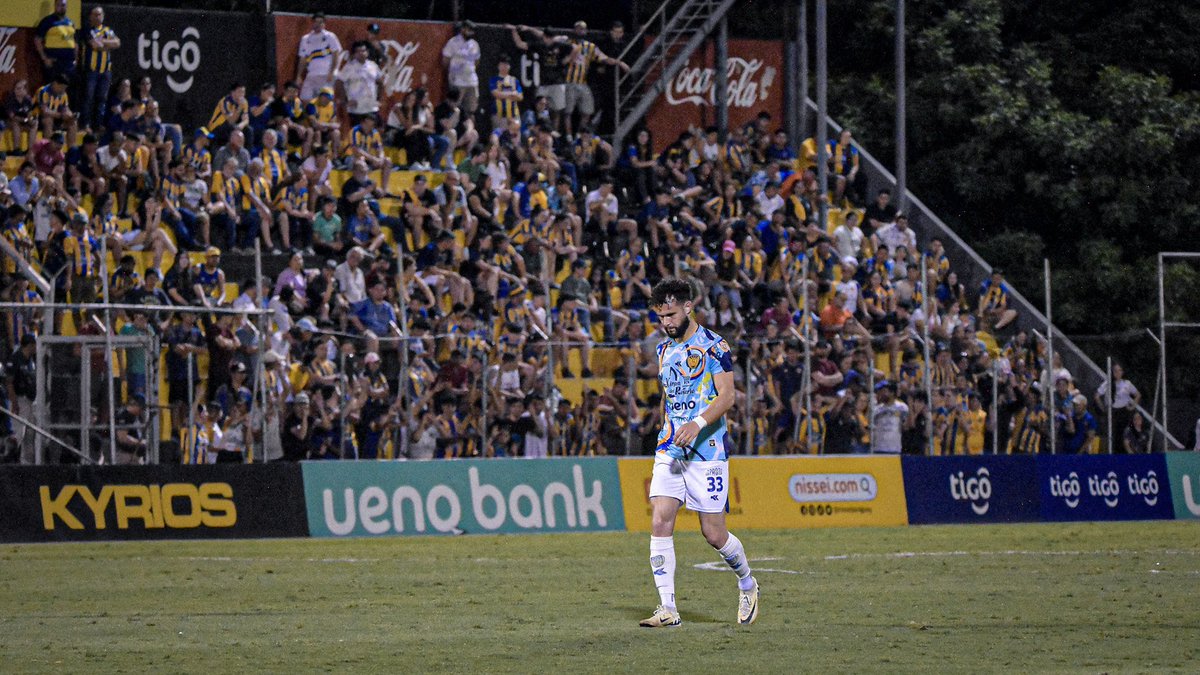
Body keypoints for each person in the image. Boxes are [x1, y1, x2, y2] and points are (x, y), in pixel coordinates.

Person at [638, 277, 759, 629]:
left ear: (688, 307)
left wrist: (698, 422)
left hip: (707, 451)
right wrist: (668, 428)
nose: (667, 323)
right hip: (671, 447)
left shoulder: (714, 346)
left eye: (672, 315)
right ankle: (667, 608)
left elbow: (727, 396)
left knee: (714, 534)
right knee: (660, 517)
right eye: (661, 317)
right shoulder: (663, 351)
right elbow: (670, 398)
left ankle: (748, 584)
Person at [81, 6, 120, 133]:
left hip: (105, 71)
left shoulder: (108, 30)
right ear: (90, 16)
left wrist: (103, 42)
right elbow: (94, 45)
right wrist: (108, 44)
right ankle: (86, 124)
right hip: (92, 70)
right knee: (88, 97)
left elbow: (117, 43)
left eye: (99, 14)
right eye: (95, 14)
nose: (97, 17)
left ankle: (98, 125)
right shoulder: (87, 30)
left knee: (102, 99)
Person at [297, 12, 343, 102]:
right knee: (305, 100)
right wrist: (298, 76)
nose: (318, 24)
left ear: (324, 24)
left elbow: (336, 54)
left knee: (325, 101)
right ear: (312, 23)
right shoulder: (305, 39)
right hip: (311, 74)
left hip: (326, 74)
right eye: (316, 22)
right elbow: (302, 59)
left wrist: (332, 72)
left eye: (320, 22)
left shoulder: (330, 36)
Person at [441, 20, 481, 118]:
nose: (471, 33)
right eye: (469, 30)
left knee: (471, 109)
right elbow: (446, 60)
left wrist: (470, 70)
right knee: (454, 107)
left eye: (472, 31)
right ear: (463, 29)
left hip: (471, 81)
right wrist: (453, 73)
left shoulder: (474, 44)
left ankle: (470, 130)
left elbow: (477, 60)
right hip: (457, 81)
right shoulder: (453, 42)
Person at [35, 0, 78, 82]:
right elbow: (37, 40)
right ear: (55, 6)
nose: (61, 7)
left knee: (68, 89)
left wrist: (75, 59)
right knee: (52, 88)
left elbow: (75, 43)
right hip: (54, 62)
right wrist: (44, 58)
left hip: (68, 63)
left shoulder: (71, 23)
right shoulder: (47, 21)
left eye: (63, 5)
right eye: (59, 5)